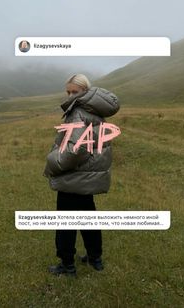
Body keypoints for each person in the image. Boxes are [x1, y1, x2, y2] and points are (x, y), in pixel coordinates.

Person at [43, 74, 120, 277]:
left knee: (66, 223)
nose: (70, 95)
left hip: (73, 177)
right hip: (87, 177)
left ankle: (67, 265)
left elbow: (75, 150)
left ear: (85, 91)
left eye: (74, 92)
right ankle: (95, 259)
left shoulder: (77, 112)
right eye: (68, 91)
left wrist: (53, 162)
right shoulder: (95, 112)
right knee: (88, 218)